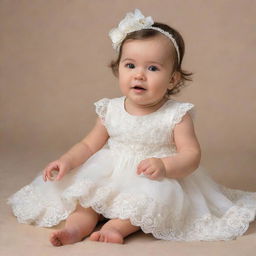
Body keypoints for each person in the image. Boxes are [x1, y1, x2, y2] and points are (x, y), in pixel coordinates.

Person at [8, 9, 256, 246]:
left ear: (172, 79)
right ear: (118, 70)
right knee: (86, 198)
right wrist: (66, 161)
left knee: (149, 199)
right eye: (130, 65)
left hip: (152, 176)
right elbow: (88, 145)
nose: (139, 75)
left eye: (152, 68)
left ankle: (115, 228)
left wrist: (164, 166)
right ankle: (75, 228)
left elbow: (191, 155)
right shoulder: (111, 109)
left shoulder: (176, 115)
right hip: (111, 171)